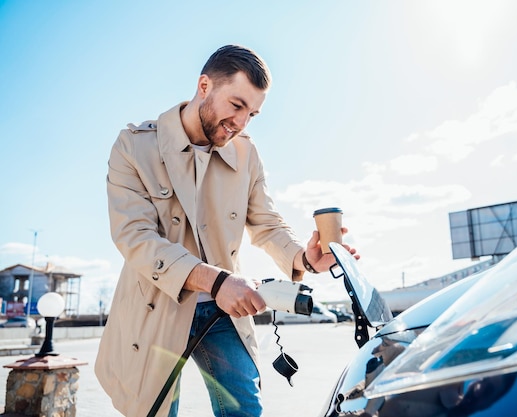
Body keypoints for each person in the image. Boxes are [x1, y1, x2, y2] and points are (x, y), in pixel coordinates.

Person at [95, 44, 358, 417]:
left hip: (224, 311)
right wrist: (217, 281)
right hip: (155, 308)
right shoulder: (134, 146)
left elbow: (267, 222)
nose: (241, 123)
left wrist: (303, 256)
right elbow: (135, 237)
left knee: (245, 410)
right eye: (236, 106)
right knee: (154, 411)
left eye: (252, 113)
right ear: (204, 86)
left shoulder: (247, 154)